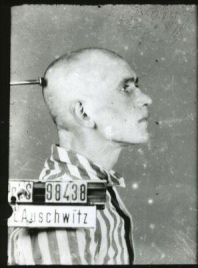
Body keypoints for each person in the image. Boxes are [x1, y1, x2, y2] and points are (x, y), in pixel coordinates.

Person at [8, 48, 152, 265]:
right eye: (125, 88)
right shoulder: (61, 208)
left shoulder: (91, 189)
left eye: (136, 86)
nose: (146, 99)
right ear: (84, 113)